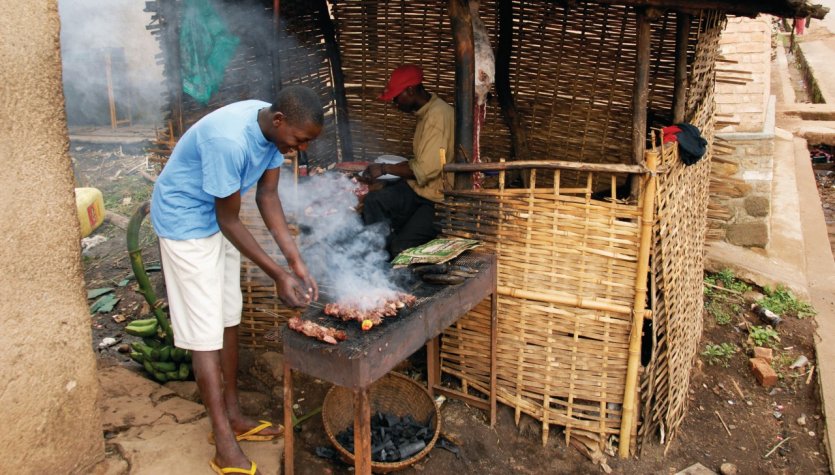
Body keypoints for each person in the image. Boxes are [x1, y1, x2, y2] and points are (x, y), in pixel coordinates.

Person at [150, 85, 323, 475]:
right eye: (300, 140)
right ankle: (223, 444)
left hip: (215, 222)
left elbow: (268, 197)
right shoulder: (230, 141)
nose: (302, 148)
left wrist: (295, 261)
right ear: (280, 121)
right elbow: (229, 219)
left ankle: (235, 416)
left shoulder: (274, 130)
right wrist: (277, 273)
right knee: (204, 335)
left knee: (229, 317)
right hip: (185, 224)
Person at [361, 64, 455, 258]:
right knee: (374, 202)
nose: (395, 103)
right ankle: (376, 259)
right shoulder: (426, 113)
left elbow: (425, 170)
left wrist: (384, 168)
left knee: (401, 248)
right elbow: (419, 162)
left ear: (411, 90)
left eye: (397, 97)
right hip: (418, 191)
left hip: (436, 201)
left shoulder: (438, 116)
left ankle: (390, 259)